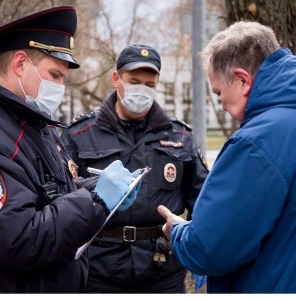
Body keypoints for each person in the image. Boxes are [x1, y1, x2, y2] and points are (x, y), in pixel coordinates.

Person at [0, 6, 139, 293]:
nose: (61, 86)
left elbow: (47, 190)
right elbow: (20, 239)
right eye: (55, 74)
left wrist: (97, 186)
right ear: (20, 64)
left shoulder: (30, 119)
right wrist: (95, 201)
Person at [158, 21, 296, 293]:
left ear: (243, 80)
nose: (221, 104)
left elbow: (210, 248)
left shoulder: (258, 141)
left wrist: (177, 232)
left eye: (219, 92)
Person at [61, 44, 209, 293]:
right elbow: (63, 202)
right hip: (99, 270)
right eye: (134, 81)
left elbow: (204, 200)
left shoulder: (180, 136)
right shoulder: (80, 135)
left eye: (149, 84)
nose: (142, 90)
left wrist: (203, 249)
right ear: (116, 79)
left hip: (162, 271)